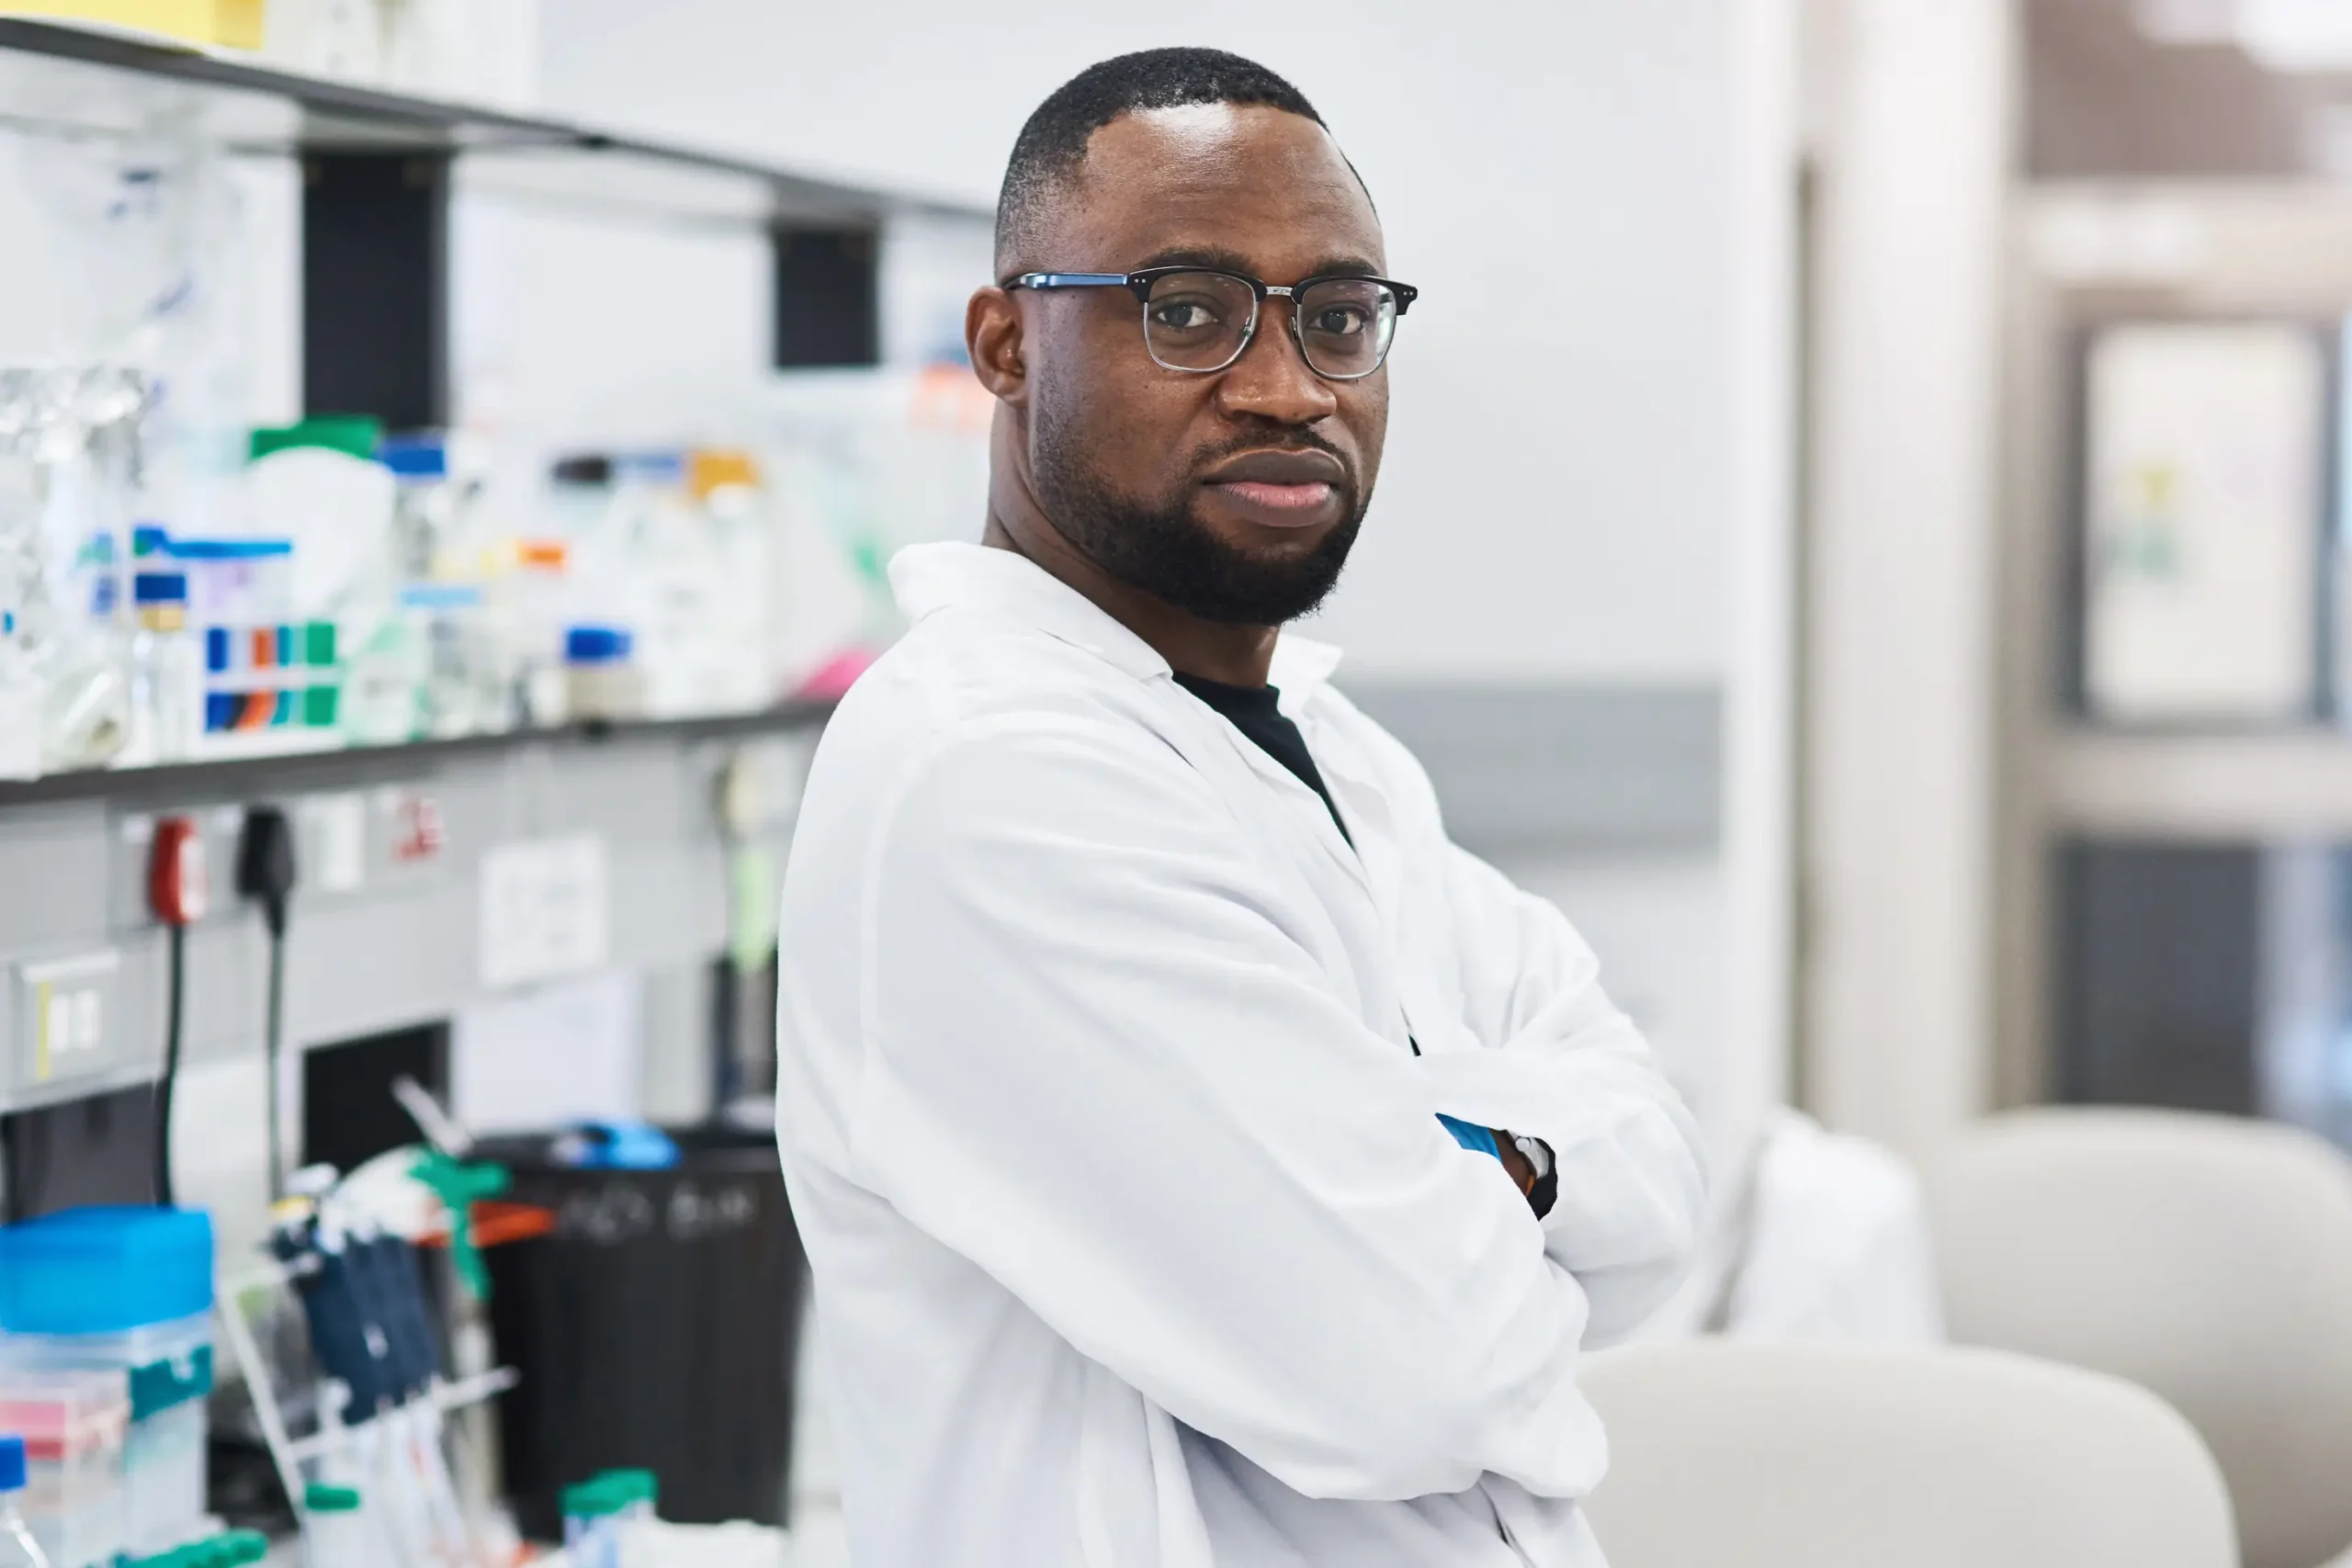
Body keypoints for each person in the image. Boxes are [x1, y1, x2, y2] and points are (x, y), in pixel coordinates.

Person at [774, 47, 1707, 1568]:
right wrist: (1516, 1158)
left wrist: (1453, 1166)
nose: (1287, 387)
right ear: (1006, 347)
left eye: (1338, 319)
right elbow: (1419, 1366)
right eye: (1187, 310)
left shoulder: (1340, 759)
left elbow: (1666, 1170)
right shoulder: (990, 777)